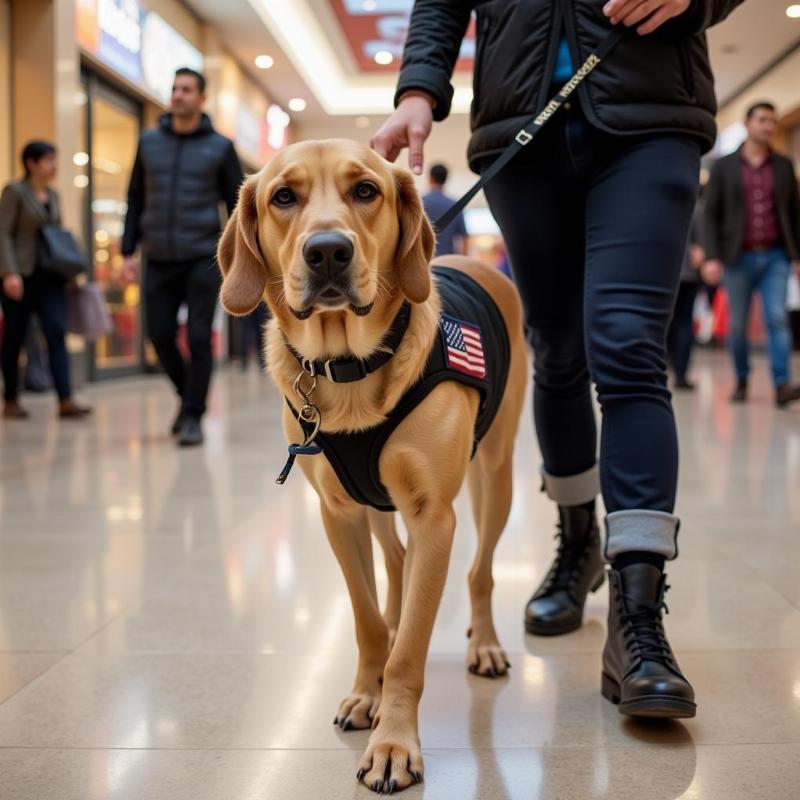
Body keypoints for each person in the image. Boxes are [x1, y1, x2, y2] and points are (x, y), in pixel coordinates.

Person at [373, 0, 746, 719]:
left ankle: (638, 612)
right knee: (556, 348)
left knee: (629, 346)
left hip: (649, 111)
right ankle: (577, 545)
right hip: (521, 123)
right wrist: (419, 89)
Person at [122, 67, 243, 446]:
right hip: (157, 254)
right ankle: (189, 395)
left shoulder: (221, 147)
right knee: (158, 334)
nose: (177, 95)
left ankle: (193, 415)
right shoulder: (149, 142)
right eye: (174, 88)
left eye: (186, 89)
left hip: (202, 256)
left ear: (201, 98)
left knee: (198, 336)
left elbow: (237, 205)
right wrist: (127, 249)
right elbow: (135, 198)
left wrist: (237, 255)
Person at [703, 102, 800, 407]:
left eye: (772, 121)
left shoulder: (784, 165)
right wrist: (711, 256)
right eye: (762, 120)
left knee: (776, 319)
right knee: (738, 325)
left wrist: (797, 256)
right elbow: (711, 214)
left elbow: (795, 214)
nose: (769, 125)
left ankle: (782, 384)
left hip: (776, 255)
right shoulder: (724, 165)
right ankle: (742, 379)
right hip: (737, 257)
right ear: (747, 124)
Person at [0, 141, 91, 420]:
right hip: (22, 276)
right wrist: (9, 272)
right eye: (48, 160)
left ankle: (65, 399)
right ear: (31, 163)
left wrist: (69, 274)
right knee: (14, 337)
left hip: (50, 277)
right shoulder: (15, 192)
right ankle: (11, 399)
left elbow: (58, 235)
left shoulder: (53, 195)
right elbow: (3, 232)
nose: (53, 166)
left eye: (54, 160)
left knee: (55, 331)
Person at [667, 197, 705, 390]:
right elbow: (701, 244)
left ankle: (665, 366)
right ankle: (681, 374)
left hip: (665, 273)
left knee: (667, 322)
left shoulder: (660, 202)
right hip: (688, 274)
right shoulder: (696, 207)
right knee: (684, 322)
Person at [421, 163, 468, 256]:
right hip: (447, 260)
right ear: (445, 179)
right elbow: (464, 237)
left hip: (424, 258)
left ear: (430, 177)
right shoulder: (455, 205)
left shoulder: (420, 203)